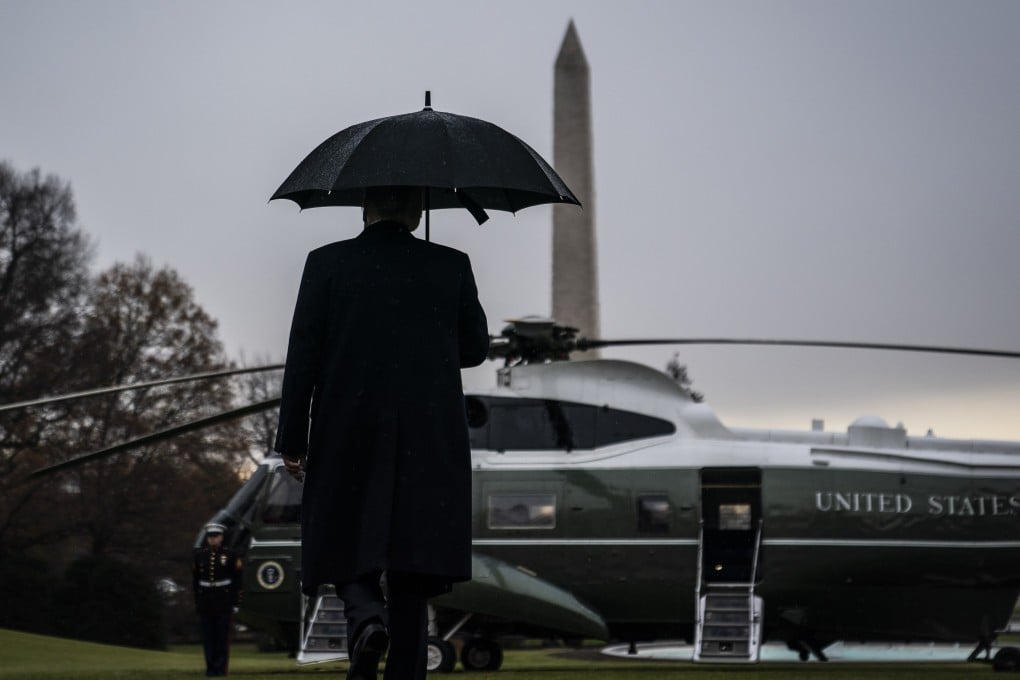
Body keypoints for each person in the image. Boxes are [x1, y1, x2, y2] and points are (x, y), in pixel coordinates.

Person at [274, 185, 490, 680]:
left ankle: (366, 618)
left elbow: (303, 356)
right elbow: (474, 348)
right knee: (413, 565)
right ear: (417, 212)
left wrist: (292, 440)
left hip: (347, 425)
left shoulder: (326, 263)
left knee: (344, 536)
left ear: (365, 208)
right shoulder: (451, 264)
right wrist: (426, 342)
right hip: (428, 435)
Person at [193, 522, 242, 677]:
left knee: (221, 637)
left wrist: (235, 602)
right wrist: (197, 601)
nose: (213, 540)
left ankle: (220, 668)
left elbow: (237, 581)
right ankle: (210, 668)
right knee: (208, 637)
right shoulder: (200, 556)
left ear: (221, 537)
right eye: (210, 537)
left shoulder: (231, 555)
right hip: (206, 600)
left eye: (216, 536)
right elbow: (196, 581)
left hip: (223, 600)